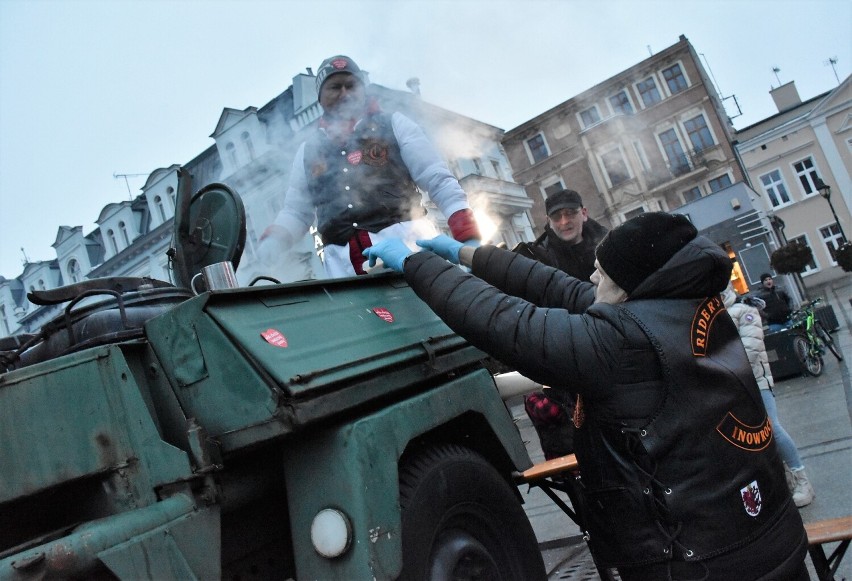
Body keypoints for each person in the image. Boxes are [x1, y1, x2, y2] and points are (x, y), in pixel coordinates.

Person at [364, 212, 809, 580]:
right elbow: (554, 286)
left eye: (605, 269)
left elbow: (505, 321)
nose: (594, 273)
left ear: (633, 280)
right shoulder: (681, 302)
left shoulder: (622, 343)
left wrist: (414, 263)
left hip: (704, 564)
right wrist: (461, 252)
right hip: (764, 538)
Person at [257, 55, 480, 278]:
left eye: (351, 85)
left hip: (409, 247)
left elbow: (437, 179)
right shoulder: (308, 151)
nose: (344, 93)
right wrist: (276, 239)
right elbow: (296, 211)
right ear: (320, 97)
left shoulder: (394, 123)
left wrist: (466, 233)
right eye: (335, 87)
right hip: (343, 266)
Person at [513, 189, 609, 461]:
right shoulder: (537, 257)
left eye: (570, 214)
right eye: (557, 217)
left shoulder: (609, 243)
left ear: (584, 213)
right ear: (548, 220)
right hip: (568, 349)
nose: (565, 222)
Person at [722, 284, 816, 508]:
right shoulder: (712, 316)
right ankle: (784, 483)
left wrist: (718, 368)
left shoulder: (744, 310)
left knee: (772, 429)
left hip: (757, 383)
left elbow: (751, 351)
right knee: (749, 438)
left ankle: (802, 481)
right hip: (733, 387)